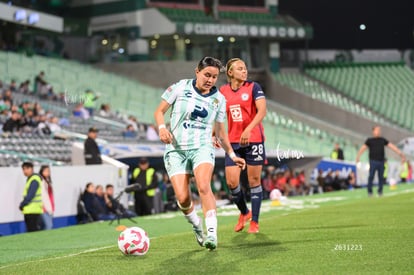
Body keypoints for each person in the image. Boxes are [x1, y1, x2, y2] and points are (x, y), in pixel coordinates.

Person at [154, 56, 246, 250]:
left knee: (204, 185)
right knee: (183, 198)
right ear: (197, 71)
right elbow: (159, 111)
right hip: (176, 149)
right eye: (207, 75)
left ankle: (212, 233)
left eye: (214, 77)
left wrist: (231, 154)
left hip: (202, 147)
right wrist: (162, 128)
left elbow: (220, 133)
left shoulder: (219, 99)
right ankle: (197, 225)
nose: (210, 80)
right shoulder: (180, 87)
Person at [219, 57, 267, 233]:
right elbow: (218, 115)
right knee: (232, 182)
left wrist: (249, 129)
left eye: (245, 68)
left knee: (254, 180)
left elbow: (262, 111)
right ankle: (244, 212)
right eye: (239, 69)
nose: (244, 71)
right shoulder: (223, 91)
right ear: (230, 73)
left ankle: (254, 221)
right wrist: (214, 133)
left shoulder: (254, 87)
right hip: (233, 141)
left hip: (254, 139)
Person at [356, 126, 405, 196]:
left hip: (381, 161)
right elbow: (362, 148)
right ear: (373, 131)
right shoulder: (369, 140)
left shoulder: (383, 140)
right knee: (371, 176)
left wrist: (400, 153)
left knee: (381, 177)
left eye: (379, 130)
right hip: (373, 161)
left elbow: (392, 146)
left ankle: (380, 191)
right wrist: (358, 157)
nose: (378, 131)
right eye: (377, 130)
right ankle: (370, 192)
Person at [19, 162, 43, 232]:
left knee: (32, 232)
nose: (25, 171)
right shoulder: (31, 179)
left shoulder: (34, 179)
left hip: (32, 210)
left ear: (32, 169)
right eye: (23, 169)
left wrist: (22, 204)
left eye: (27, 168)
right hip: (32, 210)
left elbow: (30, 195)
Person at [39, 165, 55, 230]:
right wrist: (48, 208)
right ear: (41, 172)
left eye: (48, 171)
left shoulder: (48, 182)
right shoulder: (41, 181)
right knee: (49, 226)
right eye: (45, 171)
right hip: (44, 208)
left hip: (50, 206)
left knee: (45, 226)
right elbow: (43, 196)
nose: (47, 172)